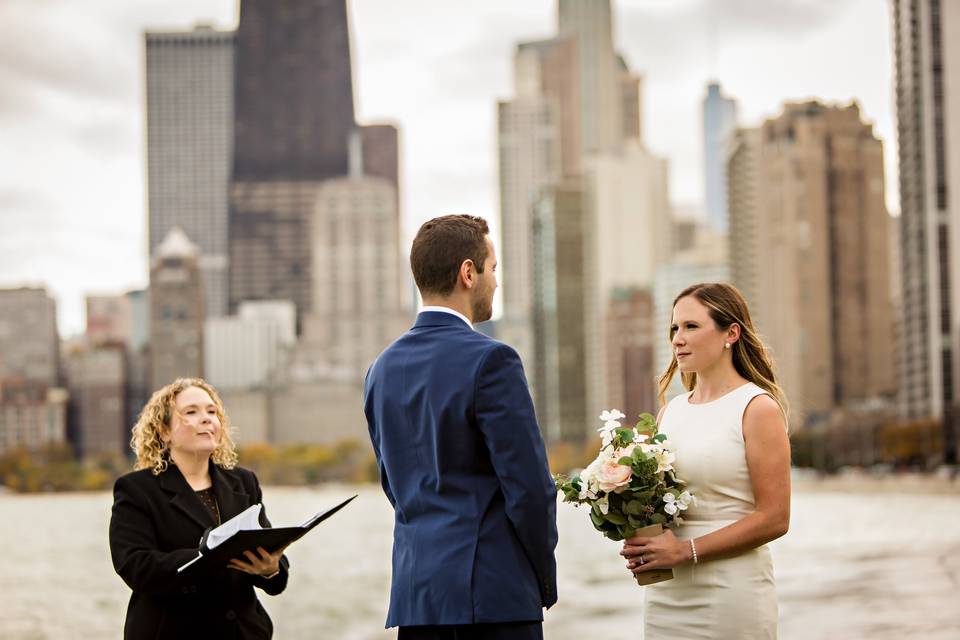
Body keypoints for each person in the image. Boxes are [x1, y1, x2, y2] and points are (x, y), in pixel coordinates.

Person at [364, 214, 558, 640]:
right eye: (493, 269)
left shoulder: (380, 370)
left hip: (417, 601)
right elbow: (530, 489)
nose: (495, 282)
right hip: (493, 597)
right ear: (467, 273)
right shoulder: (493, 360)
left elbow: (393, 486)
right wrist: (541, 578)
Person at [621, 282, 791, 639]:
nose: (677, 339)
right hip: (667, 594)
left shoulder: (757, 407)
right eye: (674, 328)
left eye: (691, 327)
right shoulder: (670, 412)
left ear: (731, 333)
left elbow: (775, 518)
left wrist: (685, 551)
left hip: (731, 591)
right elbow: (657, 502)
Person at [109, 378, 289, 639]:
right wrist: (206, 555)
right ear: (164, 431)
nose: (206, 419)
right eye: (191, 412)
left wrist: (271, 569)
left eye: (212, 411)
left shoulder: (244, 482)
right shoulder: (137, 489)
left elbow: (274, 567)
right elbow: (135, 566)